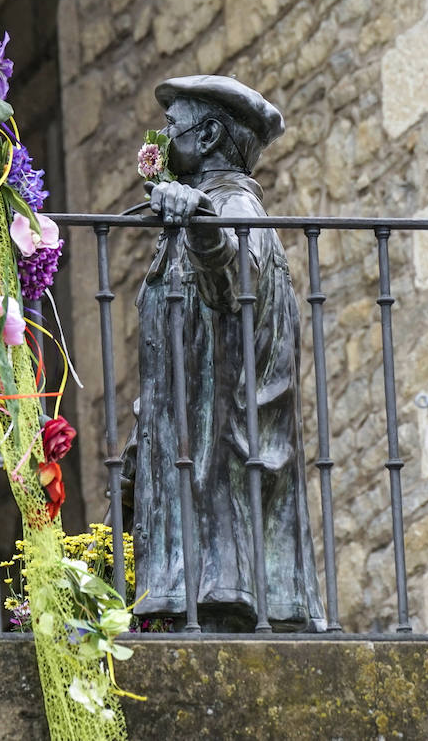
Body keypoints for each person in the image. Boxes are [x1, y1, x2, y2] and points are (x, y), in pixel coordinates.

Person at [124, 75, 324, 631]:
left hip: (223, 496)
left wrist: (202, 224)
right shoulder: (207, 207)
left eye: (172, 126)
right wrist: (145, 436)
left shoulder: (234, 207)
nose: (161, 139)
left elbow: (232, 280)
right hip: (201, 478)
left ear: (209, 135)